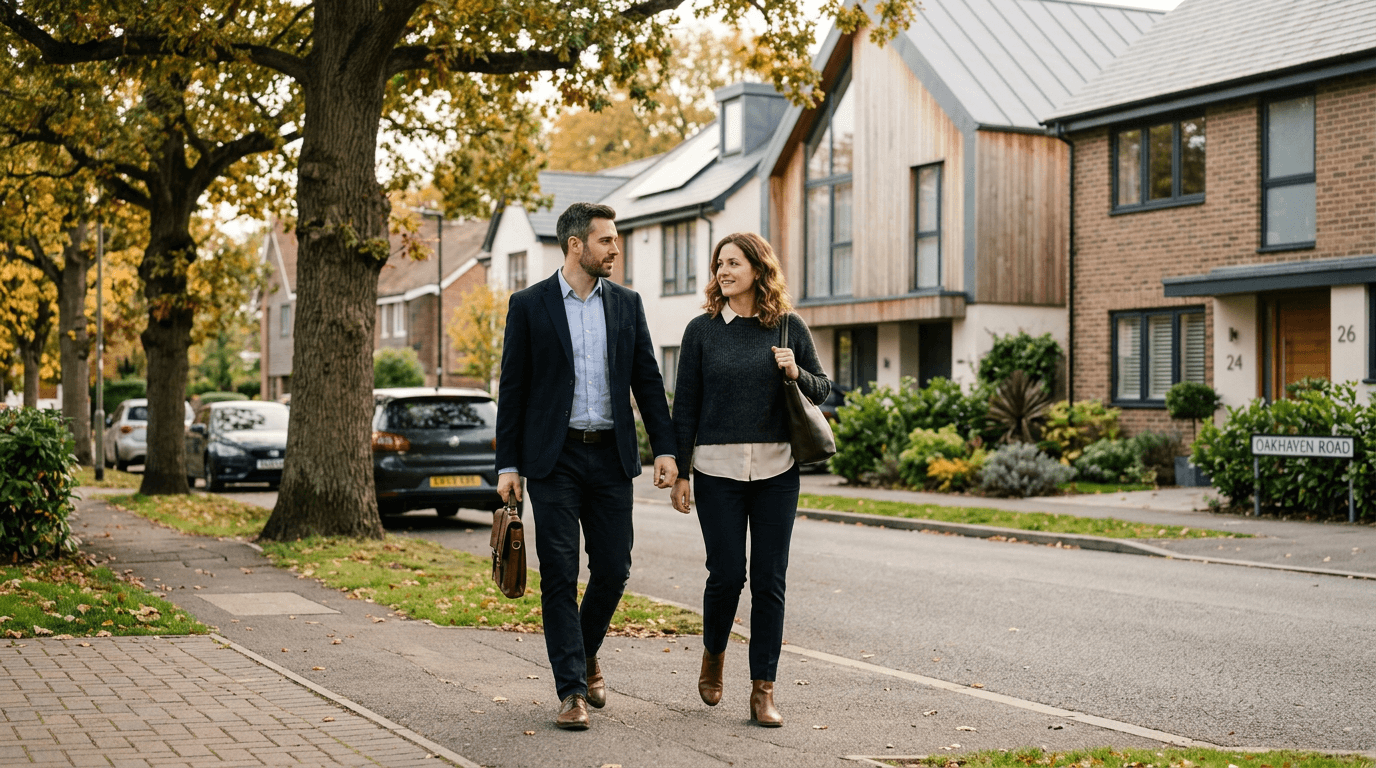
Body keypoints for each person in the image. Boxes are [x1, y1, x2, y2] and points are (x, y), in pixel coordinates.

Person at [495, 202, 678, 731]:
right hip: (554, 459)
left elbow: (647, 381)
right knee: (558, 573)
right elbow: (514, 388)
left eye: (616, 241)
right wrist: (509, 464)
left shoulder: (626, 303)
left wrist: (664, 450)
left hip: (612, 455)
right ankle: (572, 689)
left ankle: (584, 648)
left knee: (615, 568)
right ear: (576, 245)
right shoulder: (529, 305)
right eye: (606, 241)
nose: (615, 249)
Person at [668, 232, 830, 727]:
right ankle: (713, 655)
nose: (724, 271)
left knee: (769, 580)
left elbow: (822, 390)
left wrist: (795, 372)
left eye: (734, 263)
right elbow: (686, 406)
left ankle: (763, 690)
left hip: (777, 470)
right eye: (720, 263)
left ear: (758, 270)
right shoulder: (702, 331)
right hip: (717, 471)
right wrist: (680, 471)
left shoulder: (788, 326)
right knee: (726, 575)